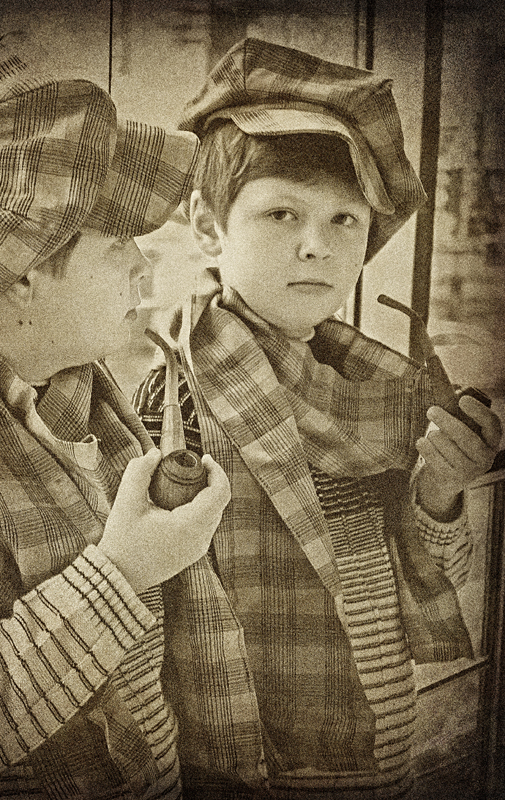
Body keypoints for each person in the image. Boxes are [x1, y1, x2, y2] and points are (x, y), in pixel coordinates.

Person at [134, 38, 502, 799]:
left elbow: (440, 572)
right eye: (281, 213)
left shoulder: (370, 383)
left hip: (383, 747)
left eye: (344, 219)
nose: (317, 246)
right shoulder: (175, 397)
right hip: (255, 767)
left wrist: (440, 490)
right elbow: (148, 617)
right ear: (208, 226)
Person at [0, 33, 231, 800]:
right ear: (22, 272)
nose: (145, 265)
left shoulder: (88, 396)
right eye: (118, 244)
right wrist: (122, 571)